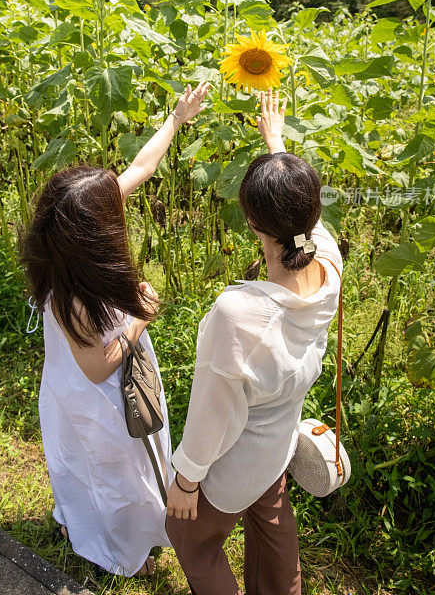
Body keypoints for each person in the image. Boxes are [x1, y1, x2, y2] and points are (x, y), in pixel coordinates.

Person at [20, 82, 209, 578]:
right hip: (95, 400)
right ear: (95, 230)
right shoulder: (72, 297)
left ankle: (84, 524)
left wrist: (176, 119)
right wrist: (142, 315)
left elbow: (141, 169)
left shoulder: (66, 233)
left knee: (87, 469)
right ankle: (120, 551)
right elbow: (97, 369)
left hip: (72, 391)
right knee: (115, 475)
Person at [166, 89, 343, 595]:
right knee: (271, 528)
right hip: (279, 445)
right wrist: (276, 144)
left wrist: (186, 480)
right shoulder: (329, 267)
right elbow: (309, 223)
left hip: (230, 470)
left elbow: (212, 411)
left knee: (189, 536)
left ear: (252, 224)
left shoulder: (239, 315)